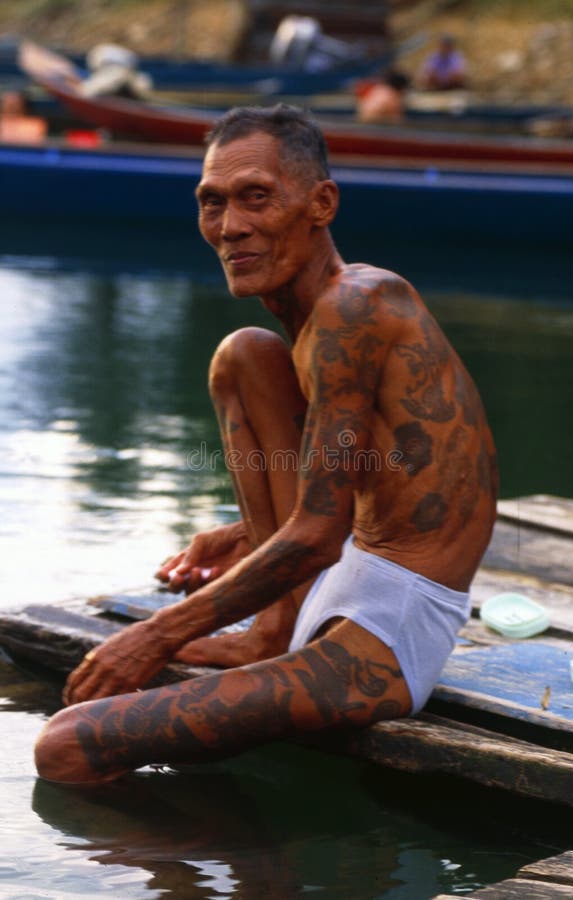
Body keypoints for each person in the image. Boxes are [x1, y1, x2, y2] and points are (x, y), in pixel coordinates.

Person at [34, 105, 497, 785]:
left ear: (320, 203)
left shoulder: (357, 303)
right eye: (212, 202)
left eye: (256, 197)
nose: (230, 226)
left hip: (389, 634)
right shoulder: (310, 324)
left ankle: (232, 870)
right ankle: (273, 630)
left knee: (65, 746)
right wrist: (244, 536)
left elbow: (317, 534)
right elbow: (371, 478)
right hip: (343, 576)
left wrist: (157, 634)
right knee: (244, 355)